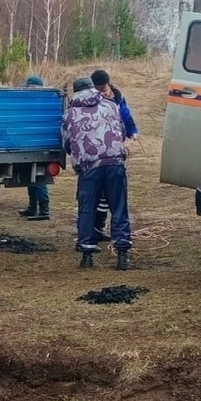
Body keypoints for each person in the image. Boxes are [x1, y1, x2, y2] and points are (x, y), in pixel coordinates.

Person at [62, 76, 133, 270]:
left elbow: (67, 144)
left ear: (75, 92)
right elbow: (122, 130)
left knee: (87, 209)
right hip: (114, 163)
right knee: (118, 207)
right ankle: (122, 255)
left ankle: (87, 255)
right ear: (93, 89)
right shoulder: (111, 106)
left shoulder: (70, 114)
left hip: (89, 167)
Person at [89, 69, 140, 242]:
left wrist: (132, 131)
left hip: (115, 148)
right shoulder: (90, 99)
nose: (102, 91)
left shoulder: (117, 97)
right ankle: (95, 228)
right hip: (97, 150)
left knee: (108, 192)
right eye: (98, 88)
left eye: (103, 88)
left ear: (108, 83)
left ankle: (100, 228)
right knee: (98, 191)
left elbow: (126, 114)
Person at [18, 75, 52, 220]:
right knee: (31, 178)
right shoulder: (45, 100)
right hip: (32, 144)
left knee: (39, 179)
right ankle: (32, 208)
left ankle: (44, 210)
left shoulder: (37, 102)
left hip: (39, 145)